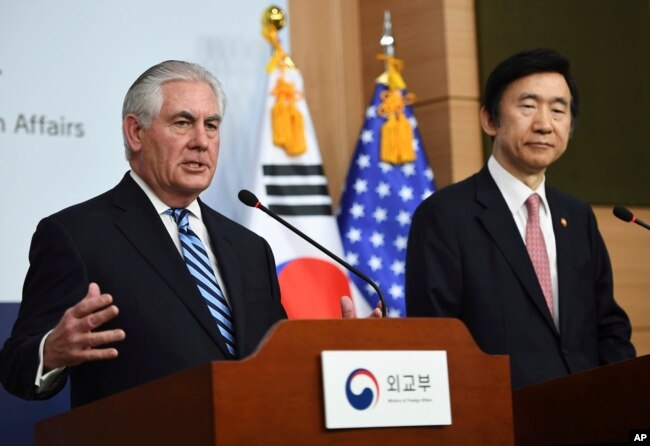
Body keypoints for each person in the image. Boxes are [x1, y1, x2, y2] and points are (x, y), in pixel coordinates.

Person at [0, 60, 373, 408]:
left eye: (211, 125)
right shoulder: (76, 235)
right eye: (182, 122)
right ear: (135, 132)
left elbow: (271, 361)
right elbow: (17, 366)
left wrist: (333, 352)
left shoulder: (249, 248)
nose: (201, 140)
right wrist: (51, 351)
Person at [405, 48, 636, 389]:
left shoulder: (577, 216)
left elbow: (608, 326)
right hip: (498, 420)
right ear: (490, 120)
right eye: (528, 107)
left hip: (587, 416)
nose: (544, 124)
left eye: (558, 110)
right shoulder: (444, 216)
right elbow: (436, 337)